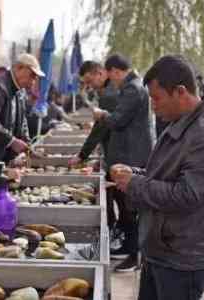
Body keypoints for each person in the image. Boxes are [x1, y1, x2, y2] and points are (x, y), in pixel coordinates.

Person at [110, 55, 204, 300]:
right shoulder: (181, 123)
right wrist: (134, 173)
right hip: (164, 249)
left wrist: (135, 183)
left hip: (182, 258)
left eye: (156, 98)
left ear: (180, 91)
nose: (153, 105)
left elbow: (188, 195)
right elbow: (165, 175)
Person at [92, 54, 155, 272]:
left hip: (133, 155)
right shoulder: (132, 86)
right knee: (127, 205)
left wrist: (101, 115)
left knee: (132, 206)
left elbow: (118, 120)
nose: (112, 81)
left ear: (116, 71)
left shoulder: (132, 89)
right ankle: (129, 246)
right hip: (130, 152)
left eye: (112, 76)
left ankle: (136, 255)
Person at [68, 61, 122, 244]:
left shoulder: (109, 94)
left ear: (100, 73)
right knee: (119, 199)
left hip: (119, 152)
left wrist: (82, 155)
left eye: (90, 81)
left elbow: (101, 128)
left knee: (124, 202)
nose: (89, 86)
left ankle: (124, 243)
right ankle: (119, 237)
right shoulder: (107, 91)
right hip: (115, 150)